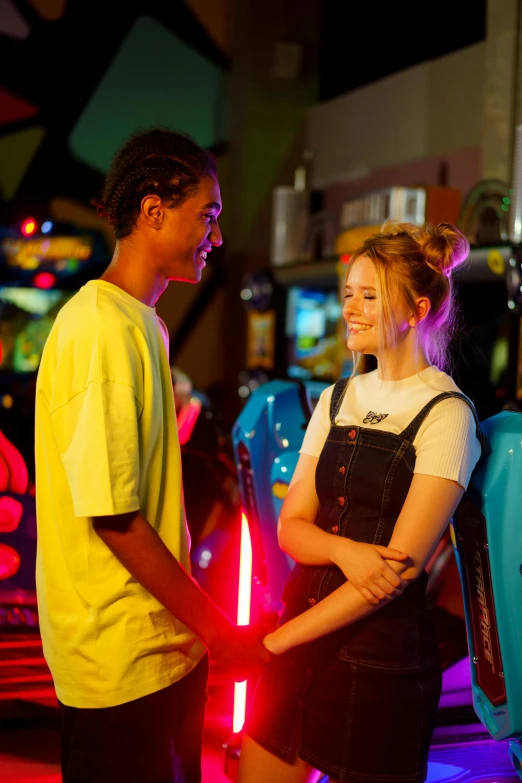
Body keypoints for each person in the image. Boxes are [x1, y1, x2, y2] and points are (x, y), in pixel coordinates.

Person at [35, 127, 270, 783]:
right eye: (209, 215)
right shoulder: (101, 328)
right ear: (153, 211)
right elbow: (115, 518)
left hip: (159, 651)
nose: (216, 237)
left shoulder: (144, 324)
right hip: (120, 662)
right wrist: (222, 633)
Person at [237, 221, 483, 783]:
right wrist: (349, 553)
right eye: (349, 294)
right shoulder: (336, 397)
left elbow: (397, 570)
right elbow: (291, 528)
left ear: (417, 310)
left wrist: (274, 641)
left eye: (369, 296)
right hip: (297, 644)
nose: (351, 308)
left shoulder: (448, 414)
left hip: (379, 665)